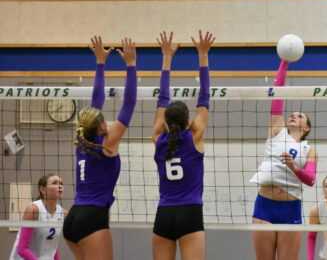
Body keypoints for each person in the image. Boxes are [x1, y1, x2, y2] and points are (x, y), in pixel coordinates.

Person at [63, 36, 137, 260]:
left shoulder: (82, 141)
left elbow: (96, 102)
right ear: (103, 125)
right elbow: (129, 104)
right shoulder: (107, 142)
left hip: (74, 218)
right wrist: (131, 65)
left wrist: (100, 62)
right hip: (93, 219)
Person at [151, 31, 214, 260]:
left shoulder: (158, 138)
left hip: (164, 213)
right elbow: (204, 97)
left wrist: (166, 58)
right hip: (190, 212)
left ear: (165, 122)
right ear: (188, 120)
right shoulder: (195, 135)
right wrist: (203, 55)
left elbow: (161, 100)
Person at [249, 57, 318, 260]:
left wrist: (294, 168)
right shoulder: (277, 130)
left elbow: (311, 180)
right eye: (292, 114)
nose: (293, 116)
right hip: (264, 206)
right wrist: (284, 63)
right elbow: (277, 94)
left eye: (300, 116)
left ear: (307, 128)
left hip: (290, 209)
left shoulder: (309, 150)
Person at [9, 174, 67, 260]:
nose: (60, 186)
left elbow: (52, 246)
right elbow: (22, 249)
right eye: (55, 183)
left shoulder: (63, 213)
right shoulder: (33, 209)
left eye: (61, 183)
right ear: (43, 190)